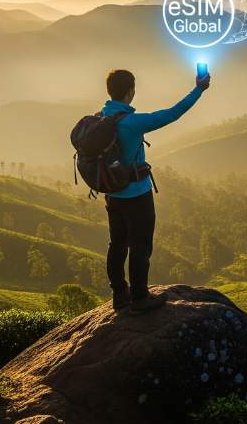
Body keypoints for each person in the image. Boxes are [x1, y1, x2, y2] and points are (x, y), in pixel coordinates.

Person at [100, 67, 210, 313]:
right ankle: (140, 298)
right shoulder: (132, 122)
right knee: (140, 246)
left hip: (112, 194)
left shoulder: (101, 118)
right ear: (130, 91)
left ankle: (120, 295)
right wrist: (199, 89)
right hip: (137, 194)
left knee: (116, 244)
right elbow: (172, 114)